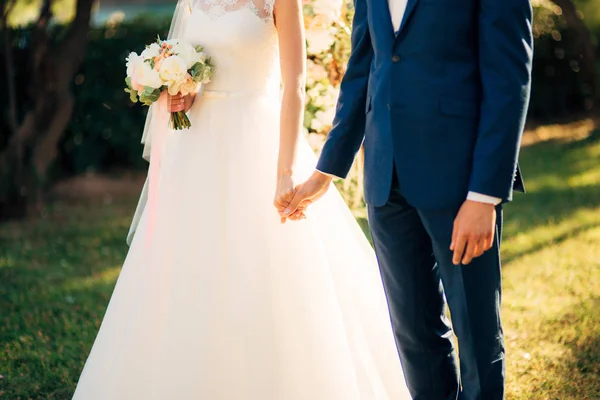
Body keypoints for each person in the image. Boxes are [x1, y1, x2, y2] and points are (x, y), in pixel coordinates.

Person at [71, 0, 412, 398]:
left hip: (258, 138)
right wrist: (185, 95)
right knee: (189, 265)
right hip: (197, 149)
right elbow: (193, 73)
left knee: (265, 263)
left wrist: (284, 171)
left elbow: (295, 86)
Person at [283, 0, 533, 399]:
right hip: (385, 179)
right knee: (414, 334)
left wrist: (484, 196)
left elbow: (509, 78)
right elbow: (363, 67)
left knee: (476, 330)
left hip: (460, 179)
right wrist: (326, 170)